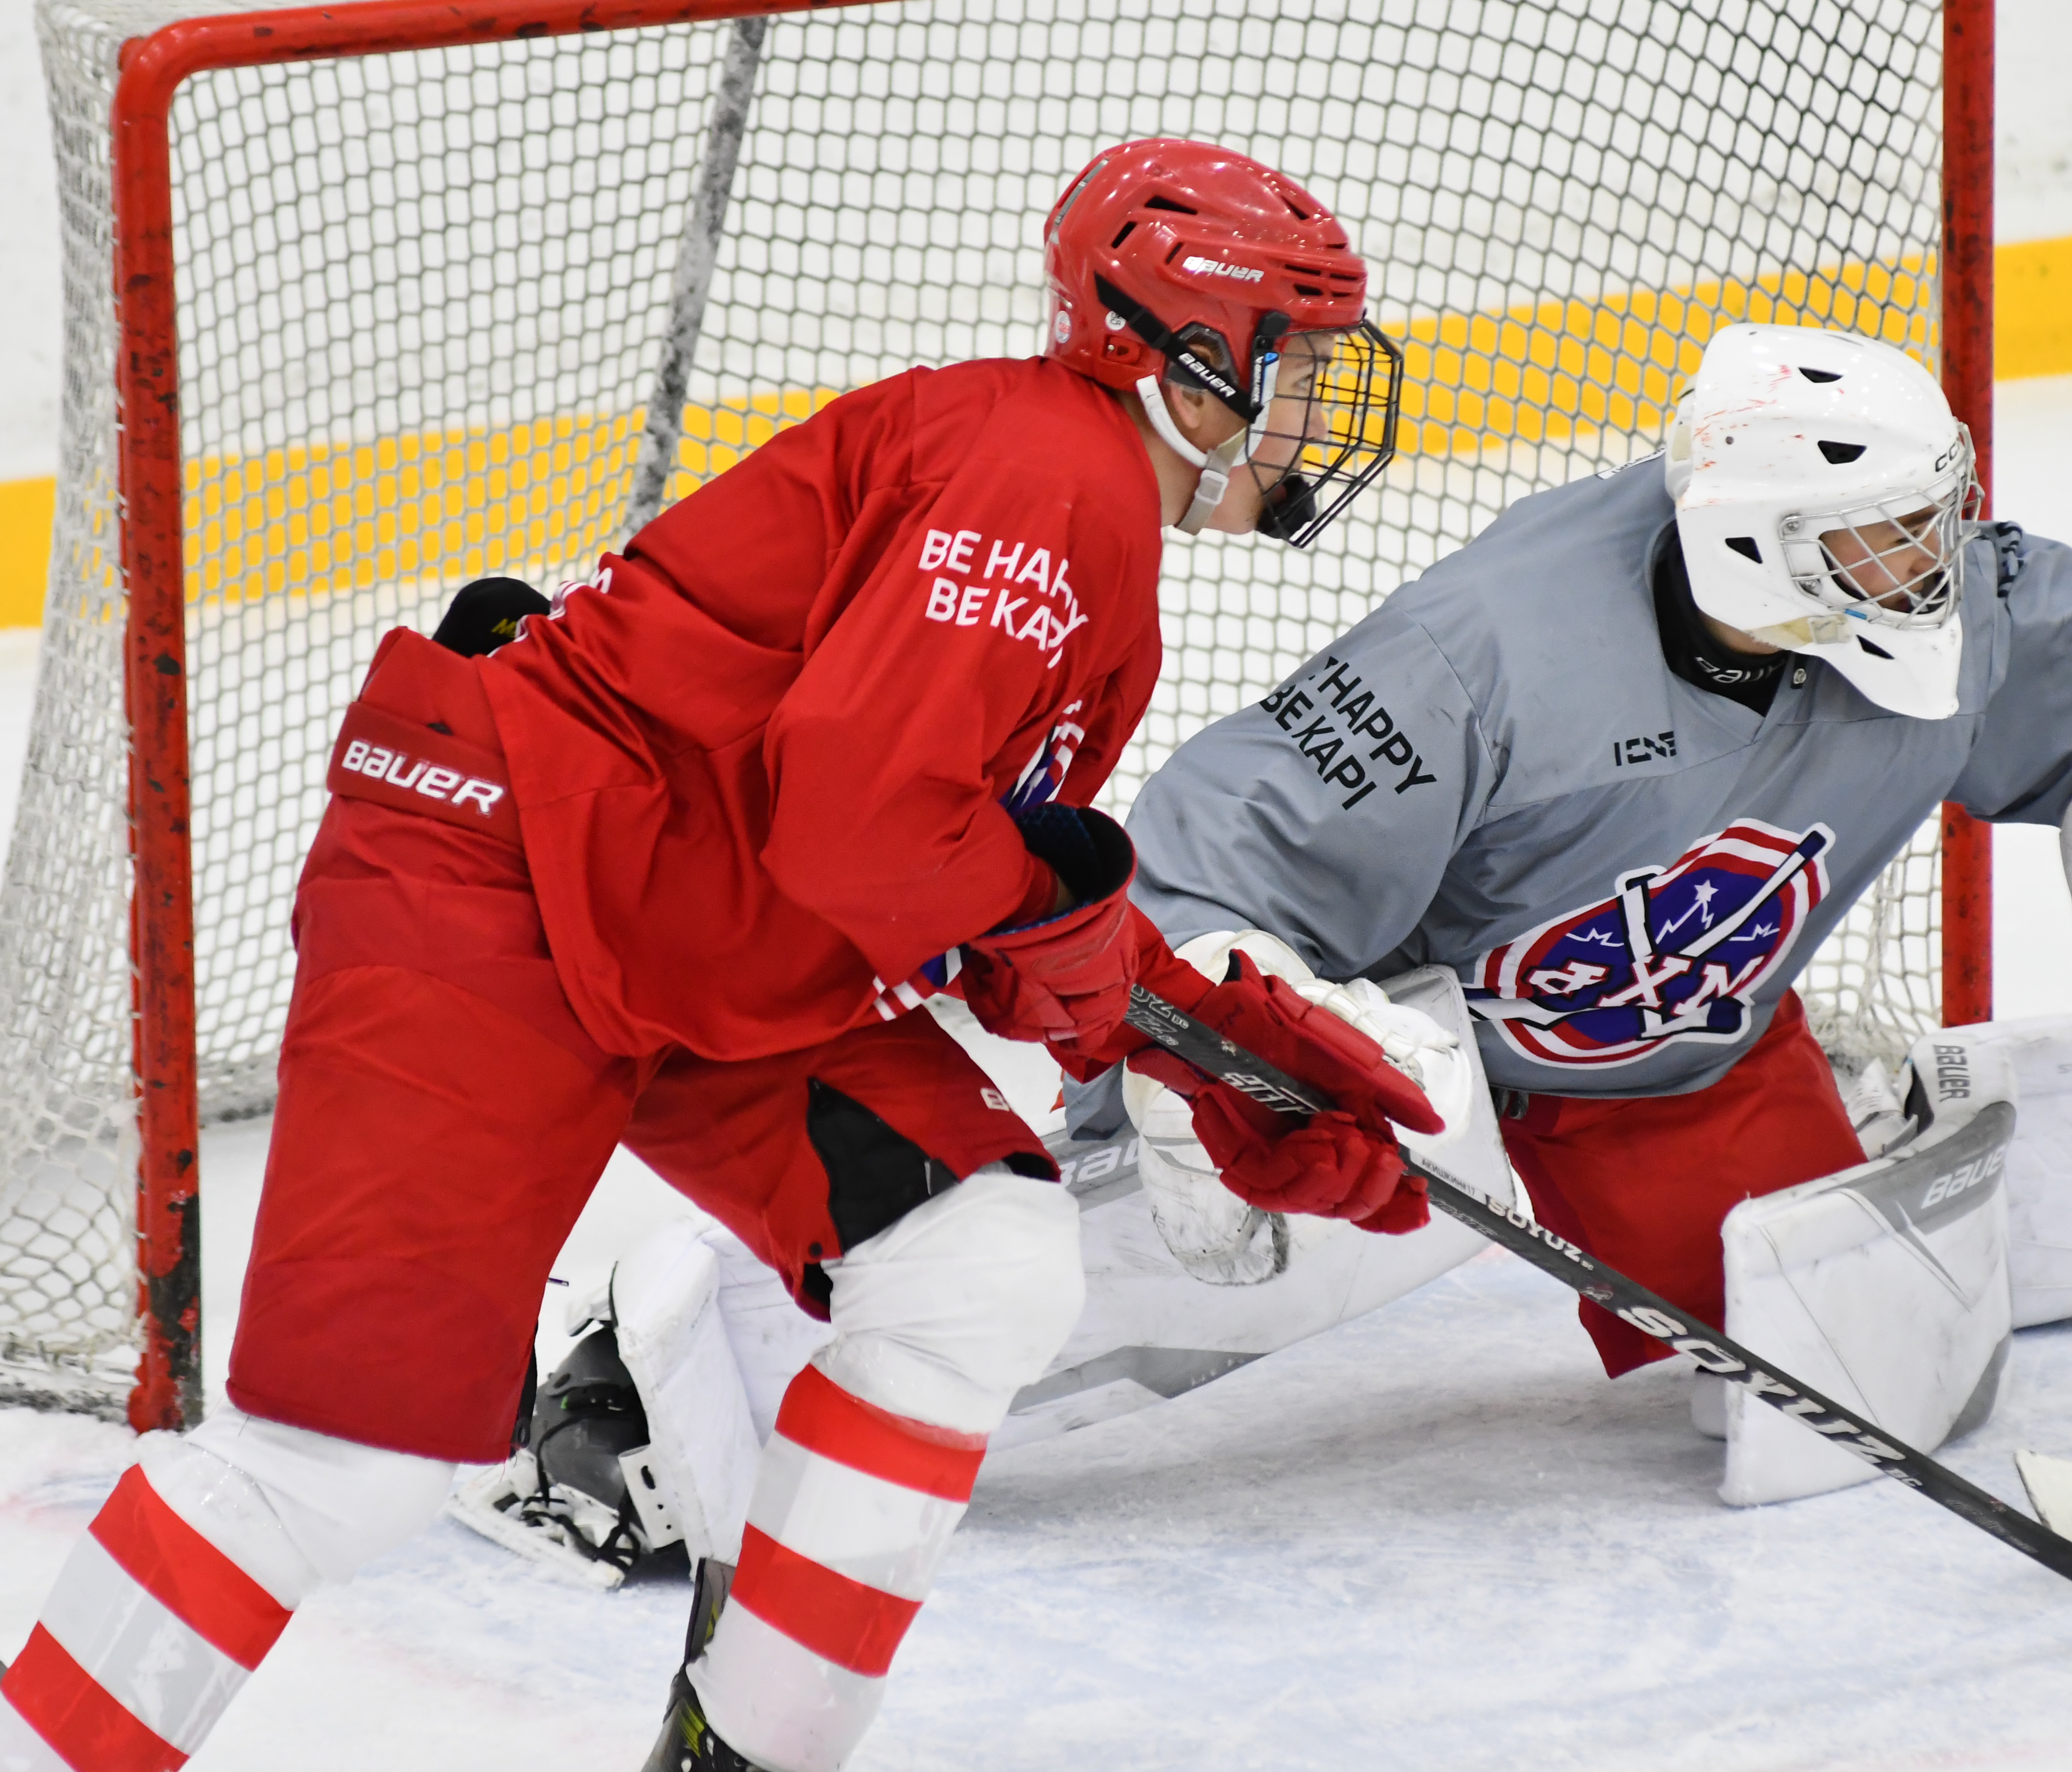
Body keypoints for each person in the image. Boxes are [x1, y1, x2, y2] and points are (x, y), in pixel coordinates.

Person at [0, 138, 1440, 1772]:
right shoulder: (1053, 480)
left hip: (697, 924)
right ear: (1188, 353)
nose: (1321, 405)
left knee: (978, 1261)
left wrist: (1186, 1031)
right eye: (1298, 359)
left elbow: (954, 865)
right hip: (504, 888)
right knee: (340, 1464)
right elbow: (872, 827)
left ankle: (740, 1753)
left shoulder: (1068, 496)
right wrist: (1107, 970)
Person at [1113, 318, 2072, 1399]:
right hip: (1400, 1047)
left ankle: (1850, 1118)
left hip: (1662, 1064)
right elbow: (1224, 845)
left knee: (1835, 1363)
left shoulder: (1954, 627)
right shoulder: (1488, 654)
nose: (1942, 559)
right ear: (1761, 545)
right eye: (1891, 535)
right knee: (1190, 1204)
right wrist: (1202, 1043)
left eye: (1936, 516)